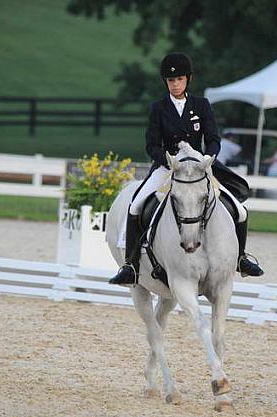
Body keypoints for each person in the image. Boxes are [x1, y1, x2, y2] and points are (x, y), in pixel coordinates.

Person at [109, 52, 264, 285]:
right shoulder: (158, 108)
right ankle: (131, 264)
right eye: (171, 81)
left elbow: (213, 138)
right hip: (168, 166)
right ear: (166, 82)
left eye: (179, 79)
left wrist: (210, 157)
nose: (175, 84)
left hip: (199, 165)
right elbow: (151, 145)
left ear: (187, 80)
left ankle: (241, 258)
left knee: (239, 210)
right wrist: (168, 160)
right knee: (136, 205)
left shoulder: (201, 105)